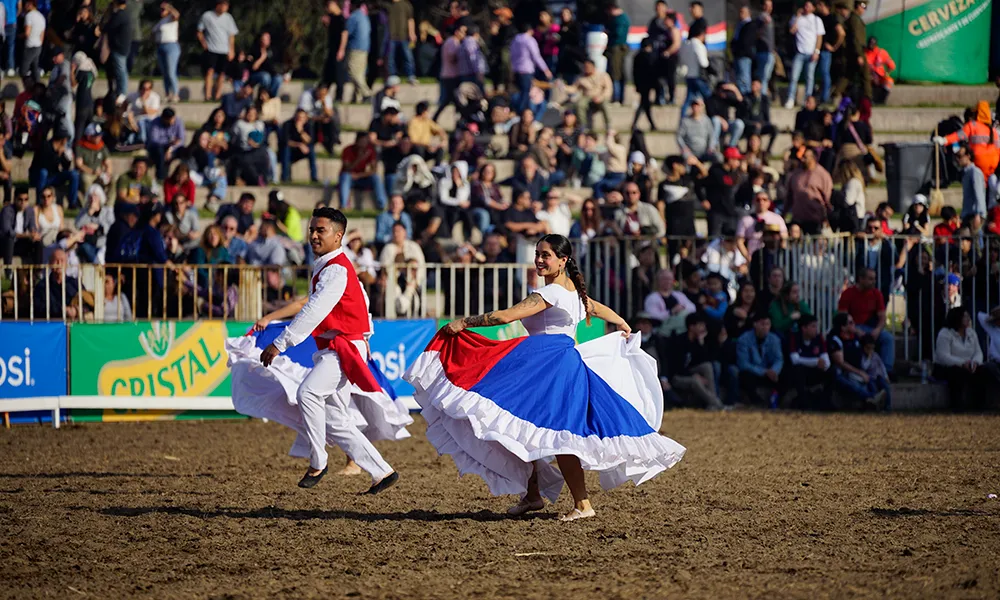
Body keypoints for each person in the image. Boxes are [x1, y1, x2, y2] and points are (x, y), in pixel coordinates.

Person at [405, 234, 685, 521]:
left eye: (546, 255)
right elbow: (595, 307)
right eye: (538, 253)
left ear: (563, 261)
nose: (539, 259)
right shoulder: (574, 292)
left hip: (549, 365)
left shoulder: (551, 293)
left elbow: (506, 317)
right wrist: (621, 321)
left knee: (557, 434)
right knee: (526, 427)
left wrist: (465, 322)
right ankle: (533, 494)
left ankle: (583, 503)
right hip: (553, 363)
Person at [247, 207, 404, 491]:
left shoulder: (335, 269)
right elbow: (361, 300)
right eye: (312, 230)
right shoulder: (333, 266)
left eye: (321, 230)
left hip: (342, 348)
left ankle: (318, 461)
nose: (314, 235)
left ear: (339, 235)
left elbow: (314, 310)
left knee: (307, 393)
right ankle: (382, 471)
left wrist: (280, 343)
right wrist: (366, 332)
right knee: (334, 417)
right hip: (341, 346)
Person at [837, 267, 894, 377]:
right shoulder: (848, 294)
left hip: (871, 327)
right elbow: (842, 317)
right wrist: (856, 330)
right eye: (870, 279)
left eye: (874, 279)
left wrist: (877, 330)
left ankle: (887, 370)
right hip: (854, 327)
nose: (873, 282)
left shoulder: (876, 294)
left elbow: (882, 317)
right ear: (861, 279)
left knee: (888, 338)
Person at [664, 311, 725, 410]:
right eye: (700, 325)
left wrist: (701, 343)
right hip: (676, 376)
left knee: (707, 366)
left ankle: (711, 404)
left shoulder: (697, 341)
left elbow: (703, 361)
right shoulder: (679, 342)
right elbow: (676, 367)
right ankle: (716, 403)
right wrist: (692, 375)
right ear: (691, 327)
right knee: (695, 381)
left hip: (688, 372)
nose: (703, 328)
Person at [827, 312, 888, 409]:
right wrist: (859, 372)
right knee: (849, 382)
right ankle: (871, 398)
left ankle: (879, 403)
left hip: (858, 371)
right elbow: (840, 362)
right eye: (851, 323)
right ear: (843, 327)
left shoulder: (855, 337)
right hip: (844, 373)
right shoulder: (835, 339)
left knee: (875, 379)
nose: (854, 324)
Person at [735, 312, 784, 406]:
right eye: (762, 324)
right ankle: (755, 401)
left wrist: (774, 371)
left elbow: (778, 359)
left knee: (786, 373)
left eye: (767, 324)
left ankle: (778, 400)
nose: (765, 327)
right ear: (755, 324)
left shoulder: (774, 339)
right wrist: (764, 371)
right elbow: (743, 363)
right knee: (745, 375)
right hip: (754, 372)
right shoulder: (744, 339)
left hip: (770, 373)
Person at [784, 0, 825, 109]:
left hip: (811, 52)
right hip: (800, 52)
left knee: (809, 77)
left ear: (813, 8)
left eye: (809, 6)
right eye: (805, 5)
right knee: (794, 76)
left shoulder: (817, 20)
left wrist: (817, 51)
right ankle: (791, 98)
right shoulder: (797, 18)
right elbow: (792, 30)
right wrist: (797, 16)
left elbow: (819, 37)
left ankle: (808, 100)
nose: (806, 7)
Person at [786, 313, 831, 409]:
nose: (816, 329)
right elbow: (795, 360)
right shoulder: (794, 337)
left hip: (815, 371)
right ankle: (804, 402)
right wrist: (815, 361)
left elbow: (826, 359)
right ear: (804, 328)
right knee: (798, 370)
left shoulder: (819, 338)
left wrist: (824, 365)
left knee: (832, 371)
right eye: (813, 326)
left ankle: (826, 401)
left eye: (816, 326)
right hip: (800, 373)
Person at [197, 0, 239, 101]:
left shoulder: (228, 18)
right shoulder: (207, 16)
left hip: (224, 50)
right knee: (209, 71)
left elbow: (231, 35)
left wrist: (231, 50)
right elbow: (199, 31)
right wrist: (204, 44)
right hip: (211, 49)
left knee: (222, 73)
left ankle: (217, 95)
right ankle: (207, 95)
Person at [785, 148, 833, 234]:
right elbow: (789, 197)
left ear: (813, 158)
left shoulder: (823, 175)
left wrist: (828, 217)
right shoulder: (795, 175)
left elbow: (828, 198)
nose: (802, 159)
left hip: (816, 219)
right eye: (802, 157)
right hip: (798, 219)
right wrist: (783, 214)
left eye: (805, 157)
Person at [30, 133, 80, 209]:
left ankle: (72, 203)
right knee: (43, 172)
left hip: (54, 177)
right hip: (39, 177)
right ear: (63, 140)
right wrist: (57, 155)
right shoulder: (45, 146)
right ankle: (39, 201)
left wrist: (67, 159)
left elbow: (65, 168)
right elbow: (44, 165)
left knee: (74, 174)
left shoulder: (61, 150)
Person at [509, 22, 551, 115]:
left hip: (516, 70)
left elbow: (512, 56)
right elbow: (536, 56)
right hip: (526, 70)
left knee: (518, 93)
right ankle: (522, 114)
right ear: (530, 30)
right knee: (525, 94)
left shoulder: (515, 40)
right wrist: (545, 69)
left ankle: (517, 112)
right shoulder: (530, 40)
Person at [339, 132, 386, 210]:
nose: (364, 144)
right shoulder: (347, 150)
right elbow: (347, 169)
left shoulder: (370, 150)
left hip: (362, 178)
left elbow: (374, 170)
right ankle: (343, 205)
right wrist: (360, 158)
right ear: (356, 141)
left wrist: (359, 175)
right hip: (349, 178)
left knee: (376, 178)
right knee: (345, 176)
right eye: (362, 141)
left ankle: (382, 205)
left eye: (365, 142)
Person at [1, 187, 42, 266]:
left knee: (38, 242)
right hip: (5, 244)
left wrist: (34, 234)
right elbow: (8, 231)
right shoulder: (7, 210)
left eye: (26, 199)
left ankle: (37, 271)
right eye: (20, 199)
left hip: (21, 243)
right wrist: (27, 235)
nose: (23, 202)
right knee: (10, 239)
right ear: (15, 199)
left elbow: (33, 227)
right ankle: (8, 270)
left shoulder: (30, 211)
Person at [678, 22, 711, 119]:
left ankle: (682, 119)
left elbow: (682, 59)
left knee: (688, 100)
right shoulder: (698, 44)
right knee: (708, 97)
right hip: (698, 76)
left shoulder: (685, 44)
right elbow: (704, 63)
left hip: (689, 75)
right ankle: (711, 117)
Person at [153, 2, 181, 103]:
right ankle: (167, 93)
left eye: (163, 10)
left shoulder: (171, 19)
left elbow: (177, 15)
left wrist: (169, 7)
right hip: (161, 46)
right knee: (164, 73)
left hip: (171, 46)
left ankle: (175, 93)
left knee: (170, 72)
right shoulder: (161, 22)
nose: (162, 12)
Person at [386, 0, 417, 83]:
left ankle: (410, 75)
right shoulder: (388, 5)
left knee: (408, 57)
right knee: (390, 58)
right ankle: (392, 76)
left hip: (404, 36)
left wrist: (412, 33)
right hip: (391, 37)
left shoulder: (406, 5)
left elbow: (410, 20)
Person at [631, 39, 658, 131]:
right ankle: (648, 124)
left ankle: (651, 124)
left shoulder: (637, 56)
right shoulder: (651, 57)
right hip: (648, 84)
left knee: (645, 104)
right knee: (644, 104)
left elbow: (634, 72)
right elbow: (653, 72)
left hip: (641, 84)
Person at [731, 5, 757, 95]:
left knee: (744, 78)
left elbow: (746, 41)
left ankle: (746, 97)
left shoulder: (750, 25)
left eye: (743, 12)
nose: (740, 14)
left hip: (744, 55)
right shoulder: (740, 25)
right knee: (739, 78)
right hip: (738, 55)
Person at [864, 36, 894, 104]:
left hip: (880, 76)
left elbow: (891, 66)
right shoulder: (864, 53)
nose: (870, 45)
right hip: (868, 76)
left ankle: (881, 101)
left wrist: (886, 74)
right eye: (869, 43)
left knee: (889, 81)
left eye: (873, 43)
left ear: (876, 44)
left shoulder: (881, 52)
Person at [21, 0, 45, 81]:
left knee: (24, 68)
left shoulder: (29, 16)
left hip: (30, 45)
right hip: (38, 45)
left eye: (26, 4)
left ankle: (25, 85)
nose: (25, 6)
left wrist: (20, 36)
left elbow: (27, 32)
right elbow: (42, 34)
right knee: (35, 67)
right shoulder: (41, 16)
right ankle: (38, 84)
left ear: (30, 4)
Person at [755, 0, 776, 92]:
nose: (769, 8)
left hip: (770, 51)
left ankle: (763, 95)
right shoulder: (761, 17)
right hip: (762, 51)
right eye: (766, 5)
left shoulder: (770, 18)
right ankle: (762, 96)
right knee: (763, 76)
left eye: (770, 6)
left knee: (767, 76)